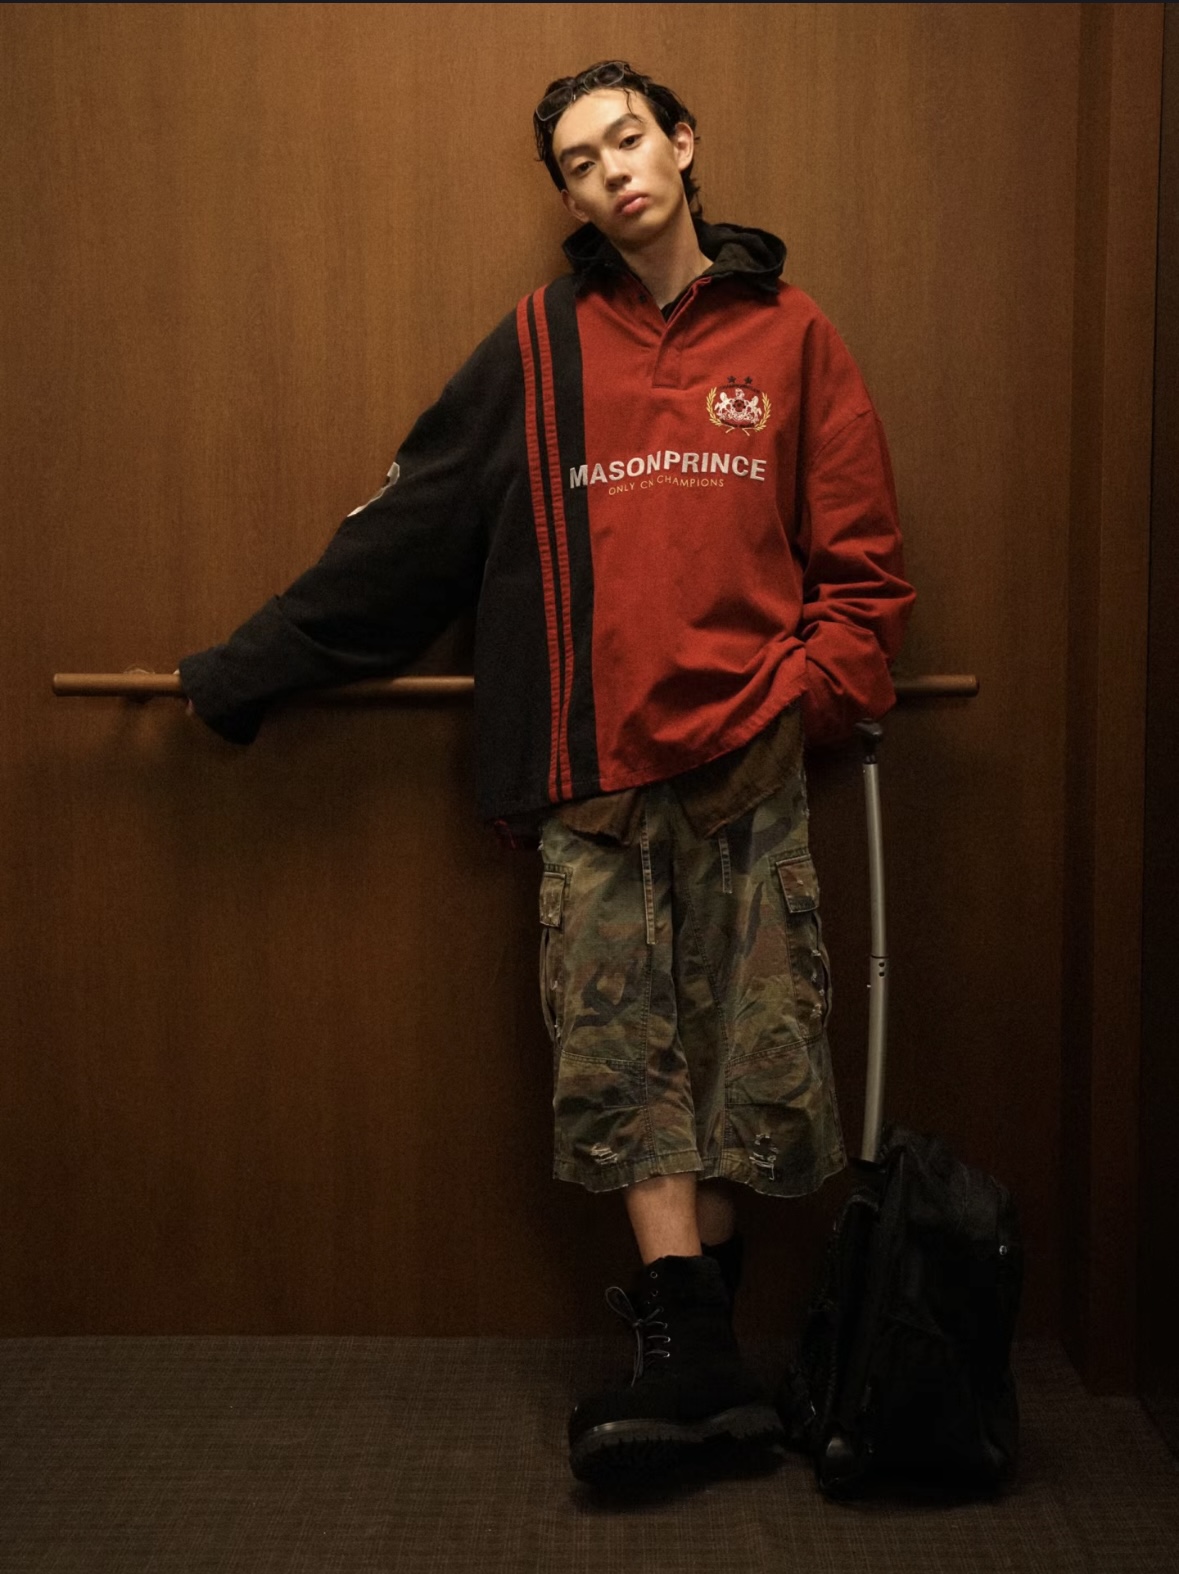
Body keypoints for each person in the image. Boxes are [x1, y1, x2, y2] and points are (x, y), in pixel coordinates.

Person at [179, 60, 915, 1490]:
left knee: (746, 1063)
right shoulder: (537, 345)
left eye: (627, 139)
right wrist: (242, 671)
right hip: (591, 777)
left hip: (752, 764)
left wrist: (807, 702)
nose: (610, 172)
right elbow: (408, 536)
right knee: (623, 1064)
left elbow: (866, 572)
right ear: (570, 198)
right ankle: (694, 1358)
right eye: (578, 163)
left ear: (682, 144)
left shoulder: (795, 335)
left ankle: (700, 1362)